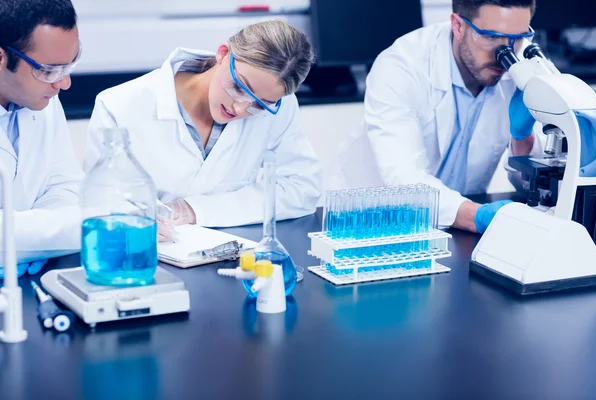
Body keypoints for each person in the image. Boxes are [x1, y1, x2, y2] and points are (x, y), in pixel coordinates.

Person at [85, 20, 322, 240]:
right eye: (240, 87)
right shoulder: (119, 105)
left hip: (230, 256)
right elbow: (102, 201)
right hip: (143, 255)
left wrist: (195, 210)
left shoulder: (277, 107)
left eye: (259, 104)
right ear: (223, 54)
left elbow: (301, 188)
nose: (240, 108)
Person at [330, 0, 542, 233]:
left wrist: (523, 137)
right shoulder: (401, 67)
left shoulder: (524, 66)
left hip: (458, 224)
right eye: (491, 37)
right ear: (458, 26)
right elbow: (404, 179)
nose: (505, 53)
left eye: (518, 38)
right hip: (372, 220)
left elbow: (531, 185)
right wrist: (477, 216)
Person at [0, 0, 84, 278]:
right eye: (49, 69)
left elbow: (64, 188)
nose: (64, 83)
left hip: (30, 282)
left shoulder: (42, 99)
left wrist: (32, 244)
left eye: (69, 66)